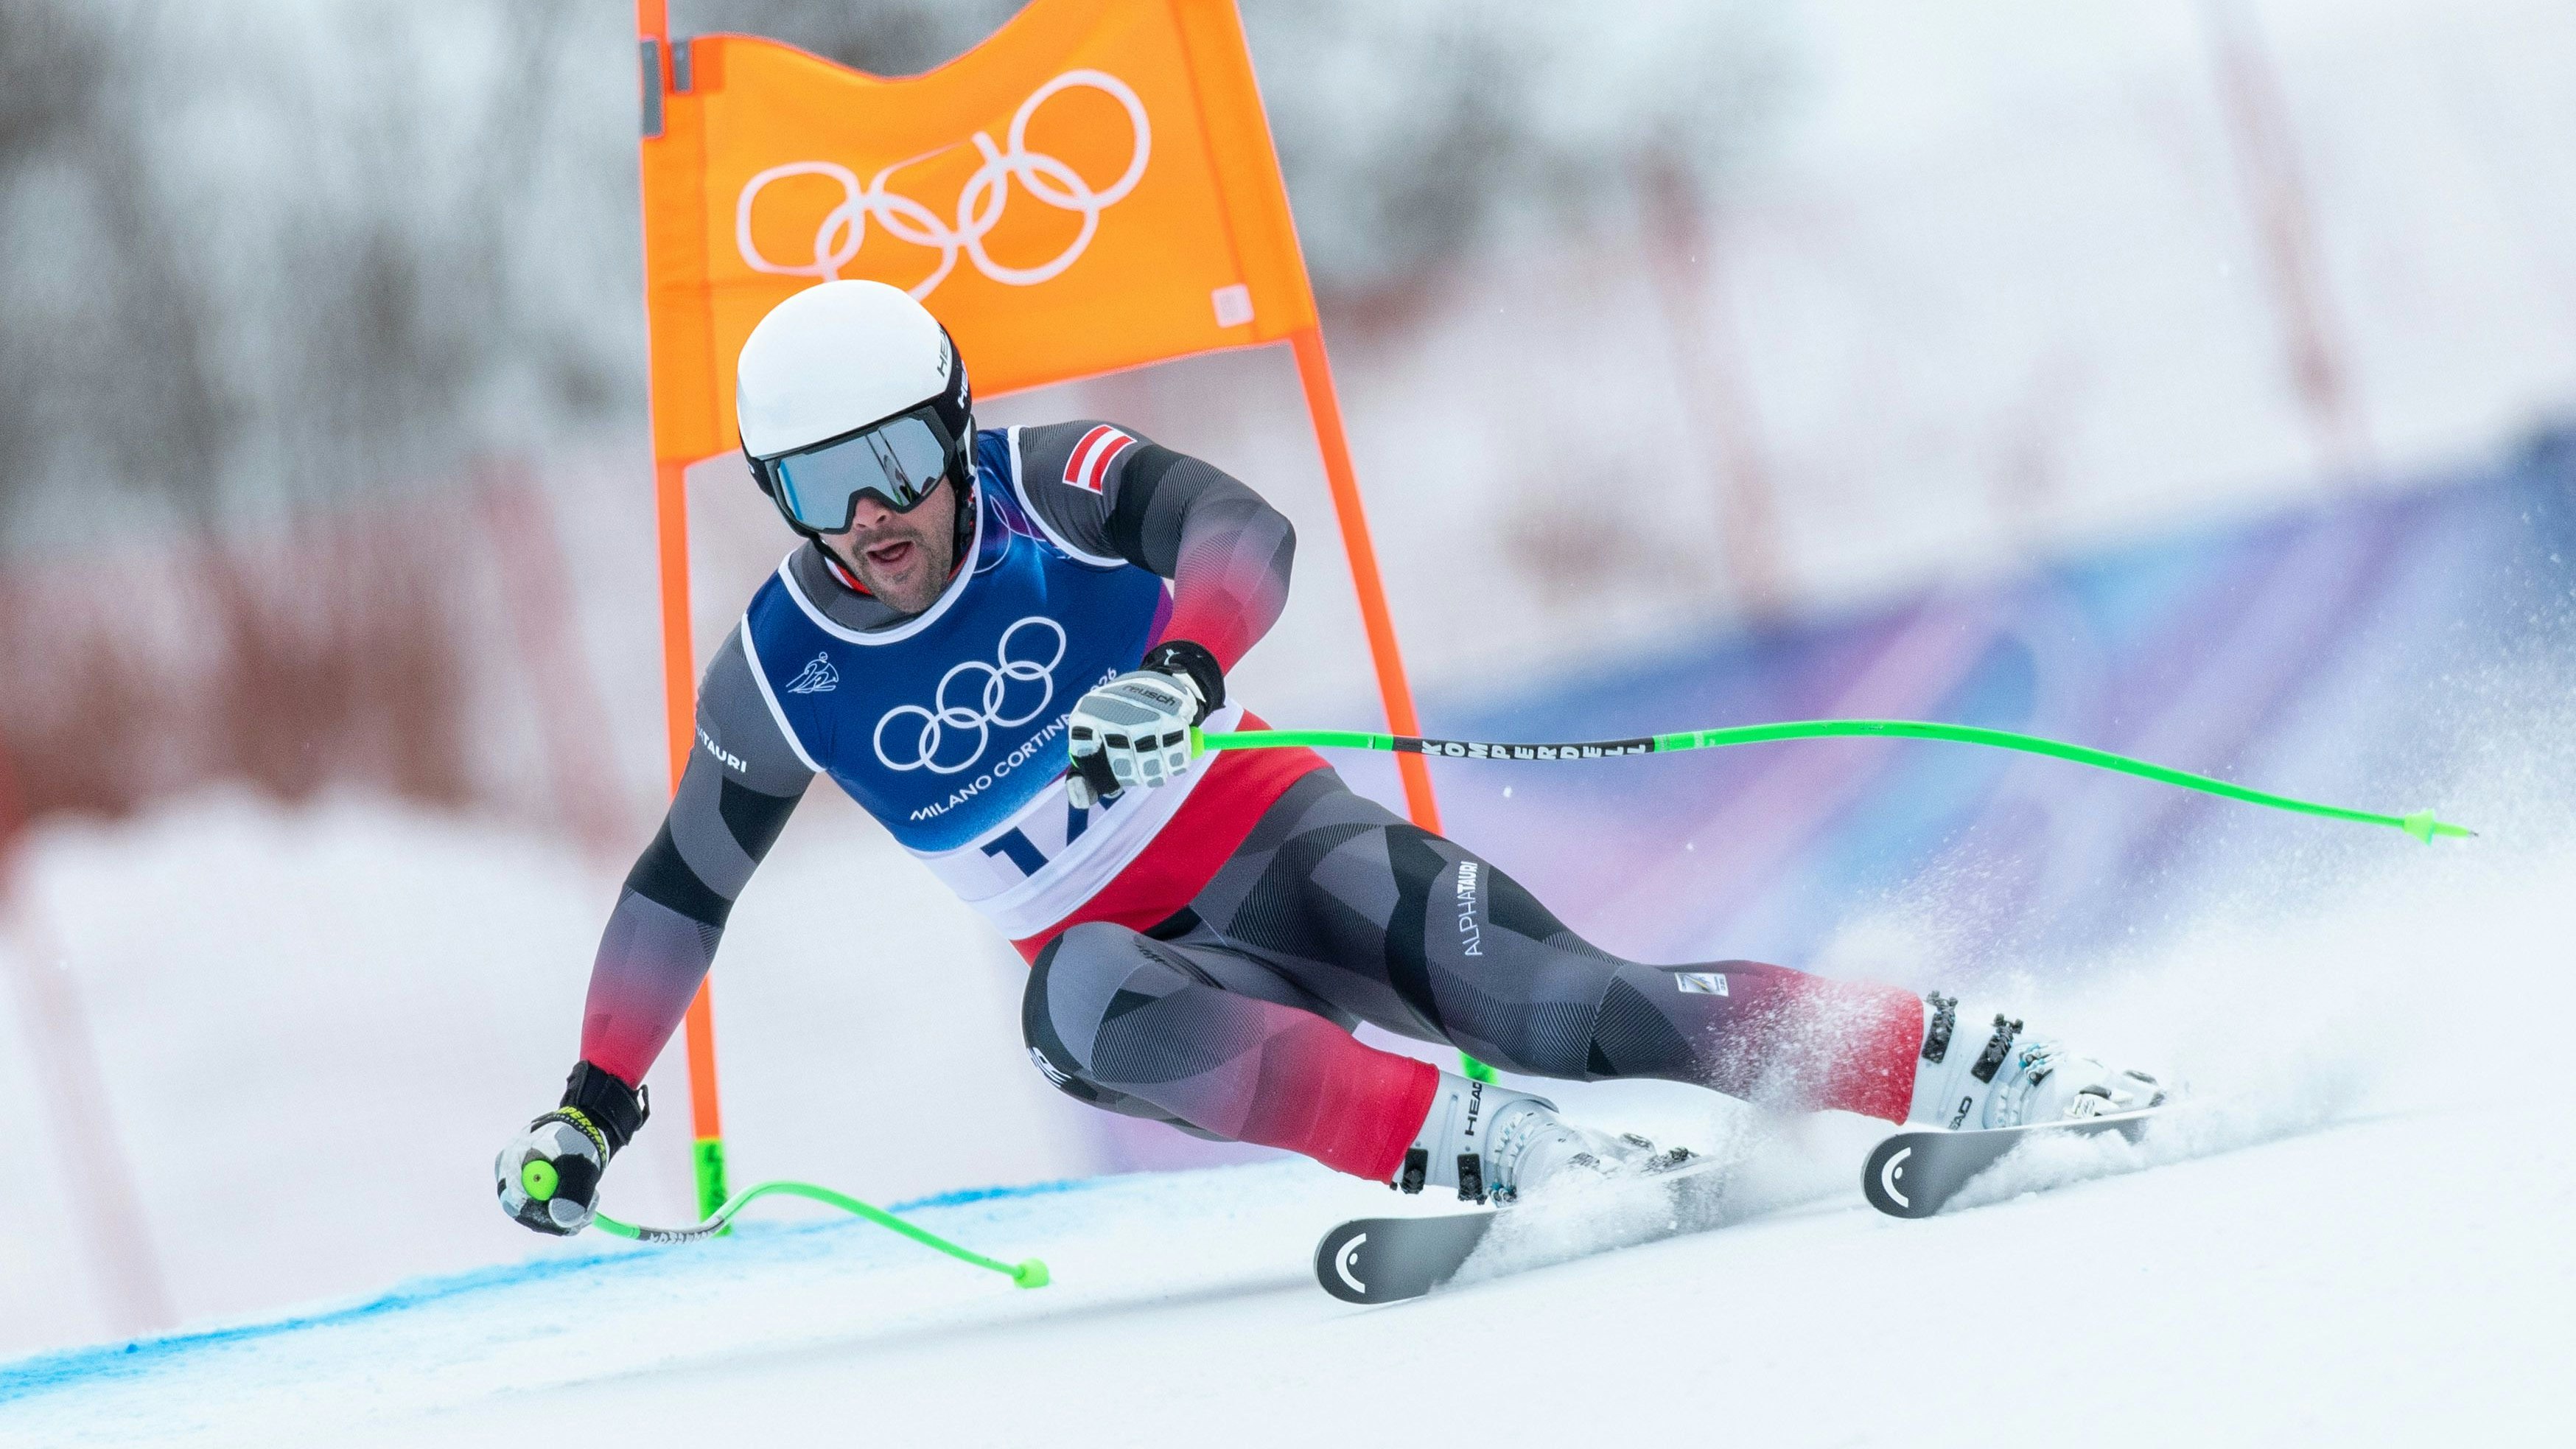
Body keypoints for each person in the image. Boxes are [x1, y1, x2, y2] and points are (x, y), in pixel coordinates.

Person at [496, 280, 2164, 1235]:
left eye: (884, 463)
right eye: (809, 485)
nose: (865, 520)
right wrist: (593, 1102)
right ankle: (1473, 1149)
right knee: (1067, 1004)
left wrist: (1179, 660)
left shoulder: (1045, 477)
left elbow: (1239, 529)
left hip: (1282, 847)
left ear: (944, 427)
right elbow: (676, 890)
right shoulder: (782, 664)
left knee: (1562, 1008)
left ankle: (1961, 1058)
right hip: (1145, 959)